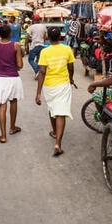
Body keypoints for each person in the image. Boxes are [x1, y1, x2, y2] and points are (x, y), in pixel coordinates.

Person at [35, 27, 75, 157]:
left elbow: (42, 72)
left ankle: (54, 131)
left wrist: (38, 92)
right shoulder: (67, 49)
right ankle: (58, 143)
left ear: (47, 38)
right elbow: (71, 67)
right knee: (61, 113)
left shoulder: (45, 52)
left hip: (49, 86)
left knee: (52, 109)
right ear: (60, 37)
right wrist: (71, 79)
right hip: (63, 84)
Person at [0, 24, 24, 144]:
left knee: (2, 105)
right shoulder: (16, 46)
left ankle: (3, 135)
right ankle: (12, 127)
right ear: (10, 34)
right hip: (12, 78)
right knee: (13, 102)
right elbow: (20, 65)